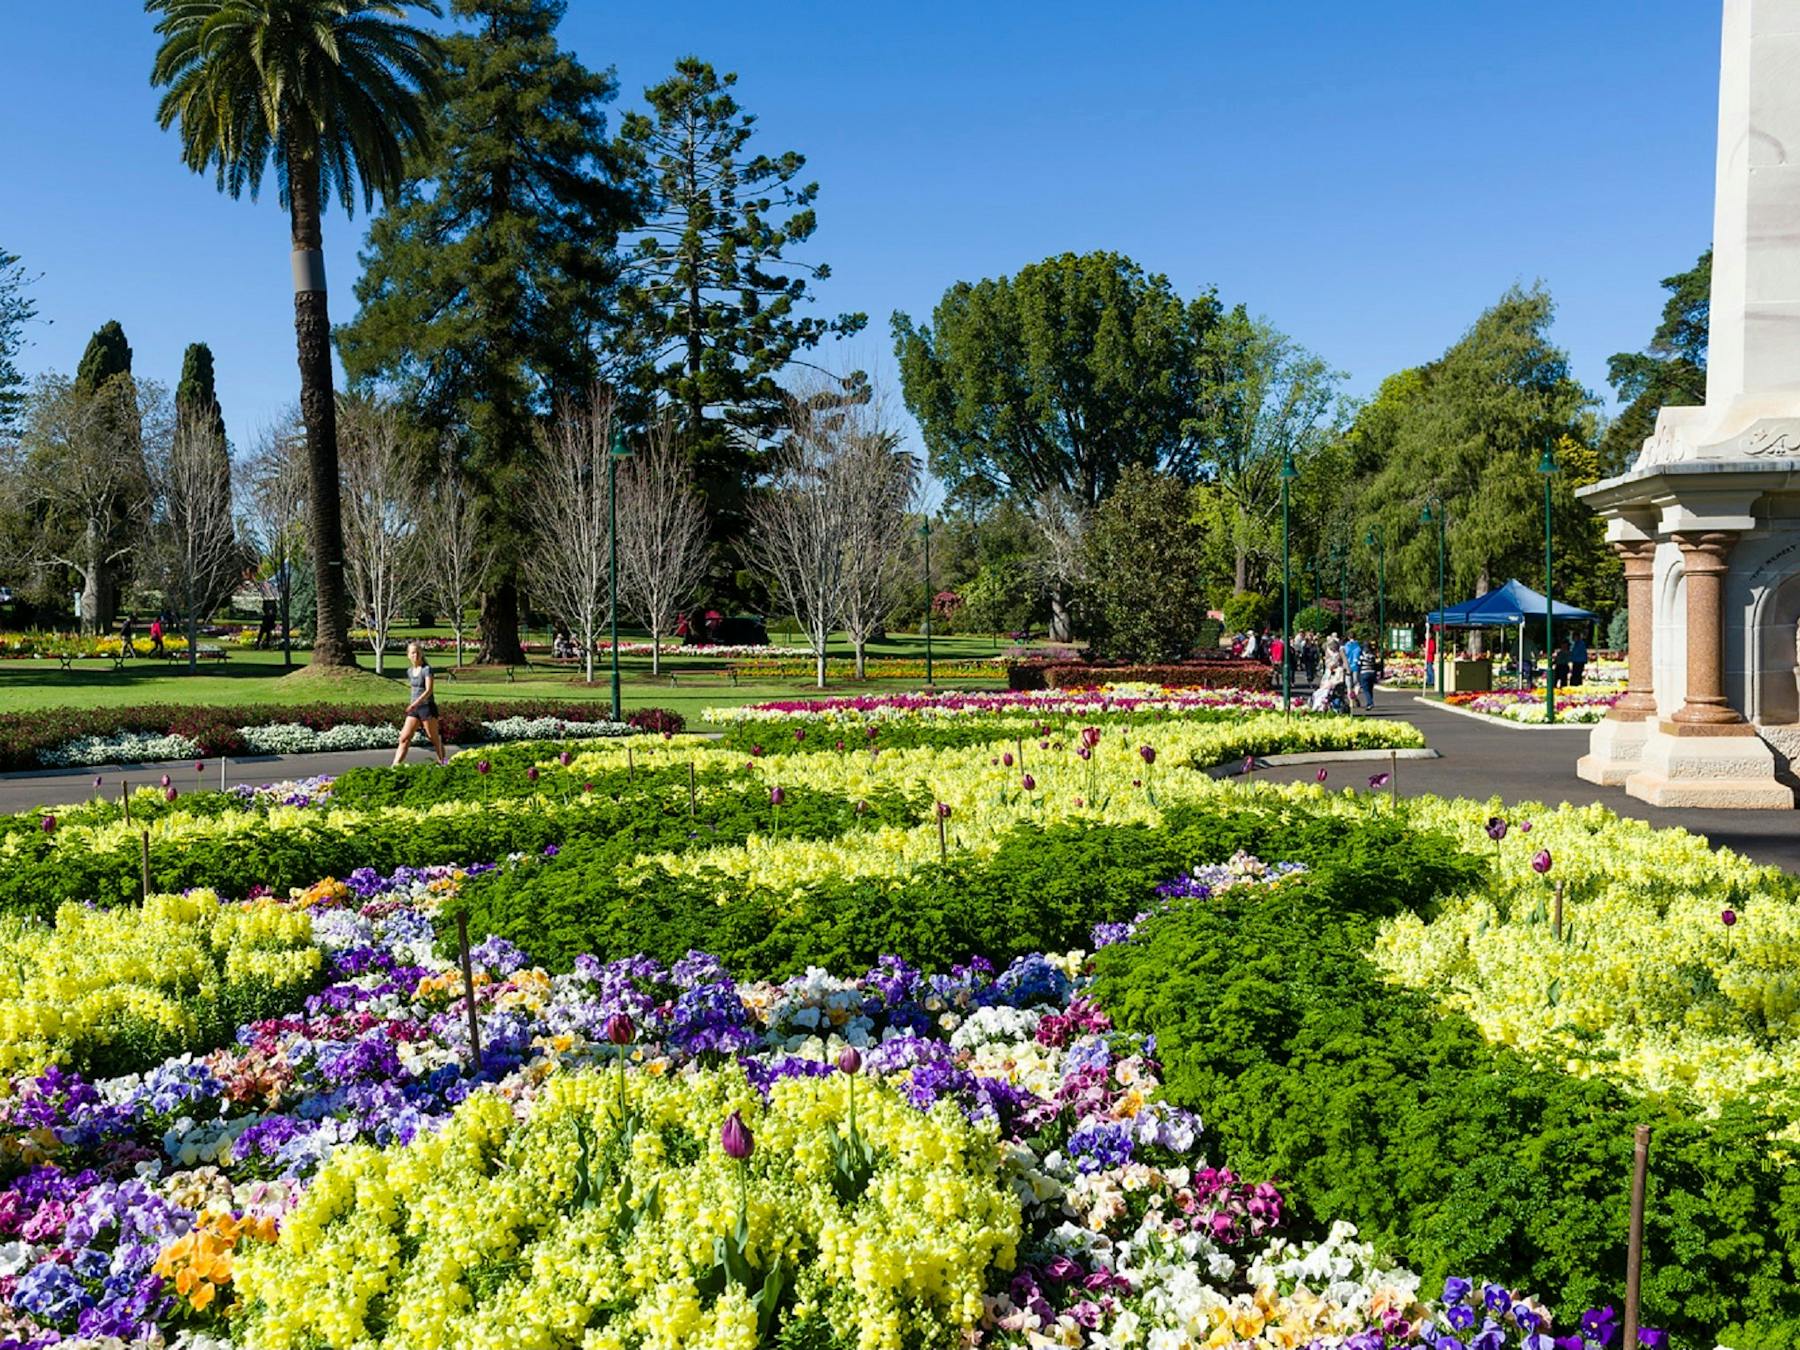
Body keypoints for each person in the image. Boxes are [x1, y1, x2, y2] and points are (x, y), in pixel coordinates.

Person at [393, 641, 448, 767]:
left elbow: (429, 690)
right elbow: (414, 690)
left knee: (433, 738)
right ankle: (395, 766)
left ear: (422, 654)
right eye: (412, 653)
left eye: (418, 652)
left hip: (426, 707)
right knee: (404, 738)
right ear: (408, 655)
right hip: (414, 709)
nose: (415, 655)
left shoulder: (427, 670)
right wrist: (412, 704)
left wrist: (415, 703)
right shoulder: (410, 671)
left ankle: (444, 763)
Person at [1358, 638, 1383, 711]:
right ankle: (1370, 701)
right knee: (1370, 689)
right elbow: (1375, 664)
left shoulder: (1361, 656)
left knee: (1366, 690)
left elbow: (1359, 664)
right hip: (1372, 673)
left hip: (1364, 673)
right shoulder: (1372, 655)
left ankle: (1370, 703)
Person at [1343, 632, 1363, 707]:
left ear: (1348, 637)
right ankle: (1354, 696)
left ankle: (1351, 701)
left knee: (1348, 685)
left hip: (1347, 666)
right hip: (1356, 667)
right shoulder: (1358, 646)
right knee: (1356, 683)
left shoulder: (1346, 646)